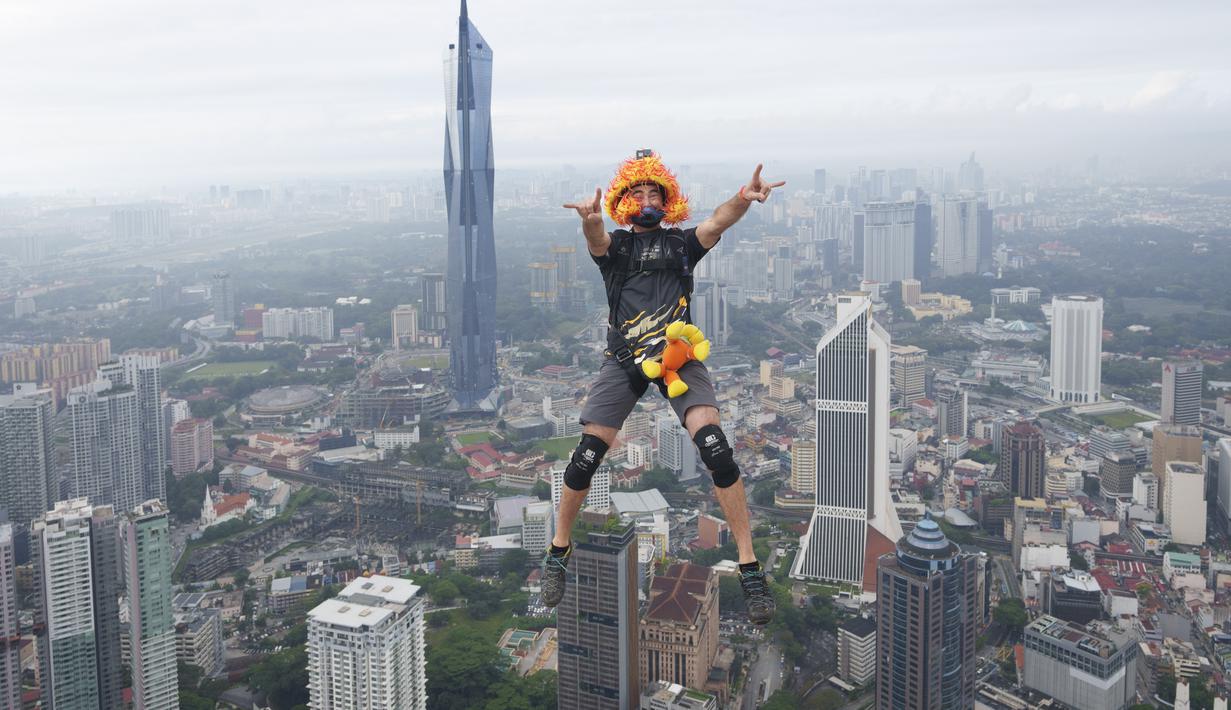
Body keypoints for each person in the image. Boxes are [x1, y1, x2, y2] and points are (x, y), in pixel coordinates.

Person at [541, 149, 785, 625]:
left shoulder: (679, 245)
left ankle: (750, 566)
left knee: (716, 449)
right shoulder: (616, 249)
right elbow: (595, 241)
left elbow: (717, 223)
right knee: (586, 456)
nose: (647, 198)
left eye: (654, 191)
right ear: (623, 201)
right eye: (638, 191)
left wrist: (744, 197)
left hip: (678, 355)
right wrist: (590, 222)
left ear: (667, 199)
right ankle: (558, 551)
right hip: (626, 358)